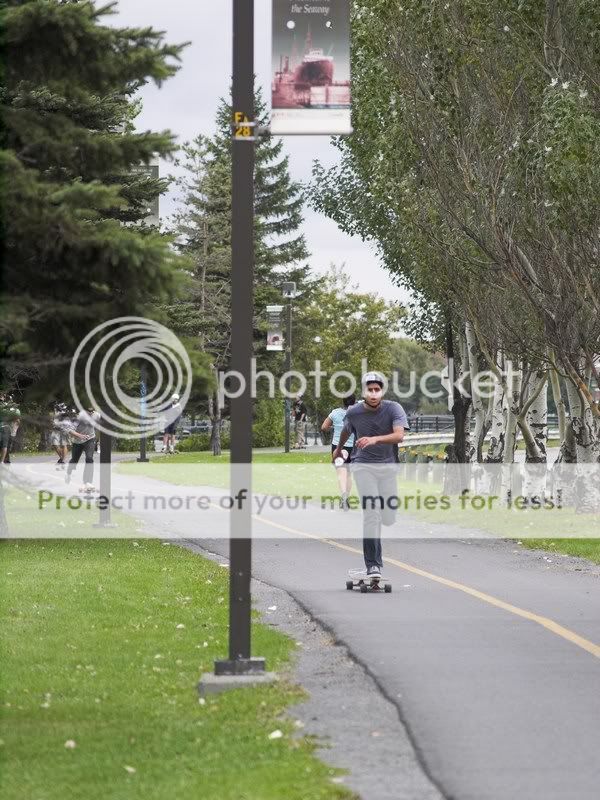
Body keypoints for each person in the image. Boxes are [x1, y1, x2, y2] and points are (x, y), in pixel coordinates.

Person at [333, 371, 408, 582]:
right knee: (371, 514)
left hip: (388, 467)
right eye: (369, 390)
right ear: (364, 391)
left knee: (388, 517)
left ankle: (386, 517)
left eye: (377, 390)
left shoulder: (394, 408)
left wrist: (374, 440)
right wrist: (339, 450)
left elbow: (399, 435)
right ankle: (373, 565)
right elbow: (347, 429)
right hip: (362, 466)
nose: (373, 394)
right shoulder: (355, 411)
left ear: (382, 391)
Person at [322, 394, 356, 510]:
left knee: (341, 473)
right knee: (349, 474)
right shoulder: (357, 414)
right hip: (352, 447)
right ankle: (346, 497)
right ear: (354, 402)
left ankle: (343, 496)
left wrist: (334, 427)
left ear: (343, 402)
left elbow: (324, 427)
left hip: (338, 447)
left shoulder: (335, 413)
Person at [65, 406, 101, 493]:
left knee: (89, 458)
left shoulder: (96, 415)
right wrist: (80, 436)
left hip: (90, 439)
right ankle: (68, 473)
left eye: (92, 412)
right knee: (74, 460)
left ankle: (87, 482)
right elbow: (69, 430)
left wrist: (99, 440)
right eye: (88, 413)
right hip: (78, 441)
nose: (90, 414)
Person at [50, 403, 71, 468]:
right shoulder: (55, 410)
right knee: (55, 444)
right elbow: (53, 419)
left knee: (64, 444)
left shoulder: (65, 410)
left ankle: (63, 460)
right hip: (55, 430)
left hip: (64, 430)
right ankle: (62, 458)